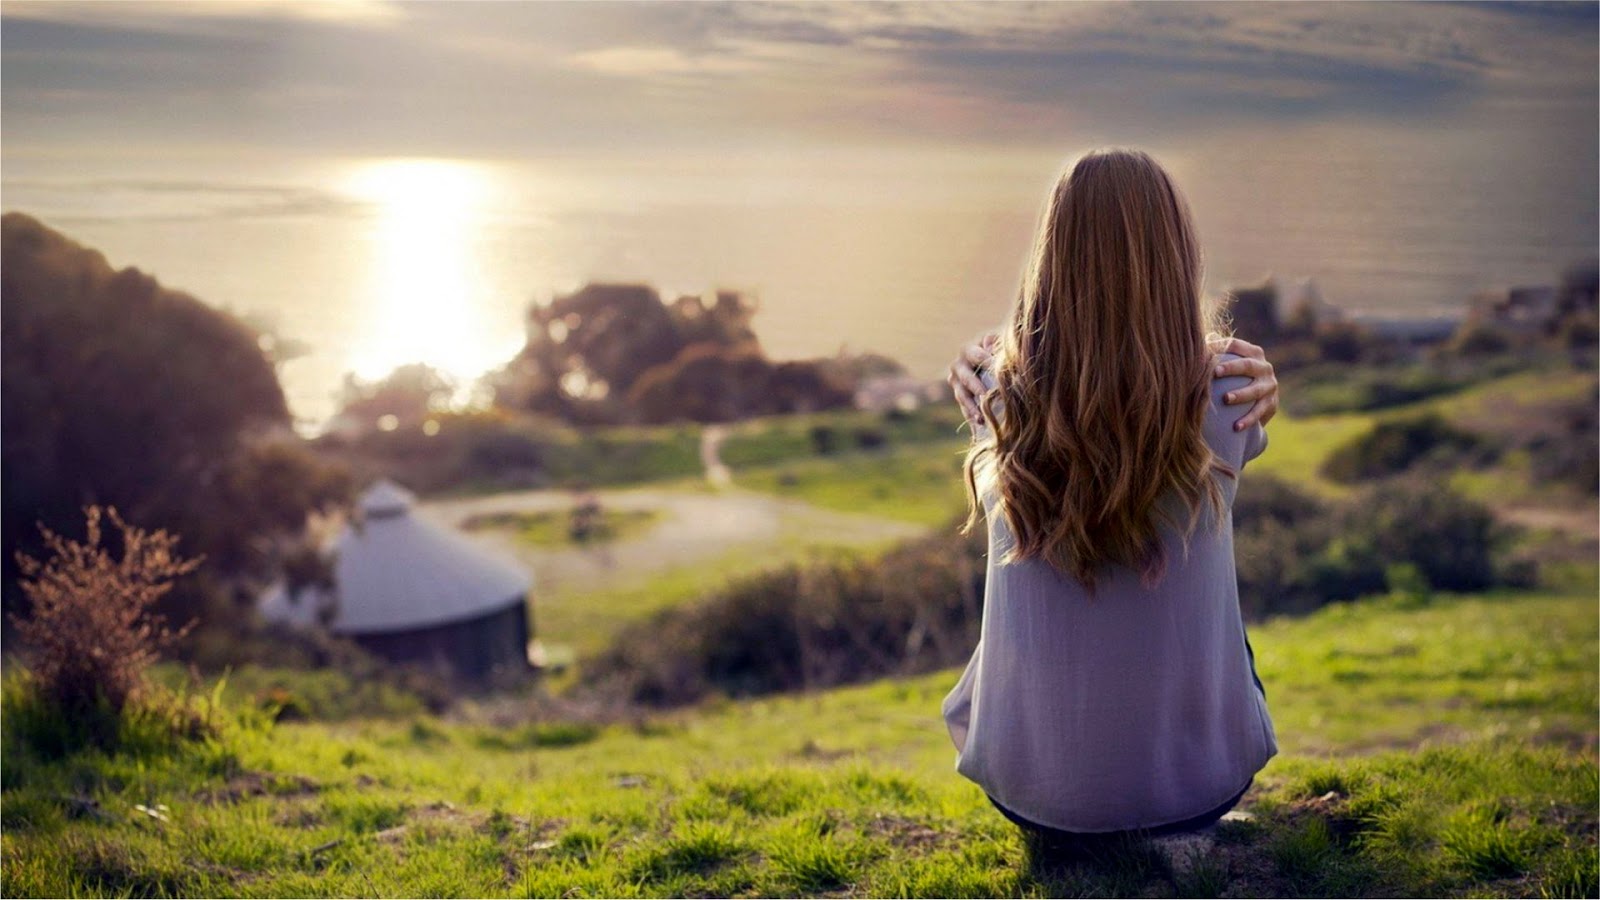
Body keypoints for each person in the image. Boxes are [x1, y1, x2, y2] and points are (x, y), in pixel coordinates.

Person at [940, 148, 1279, 858]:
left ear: (1050, 256)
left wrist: (980, 361)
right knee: (1227, 632)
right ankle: (1174, 813)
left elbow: (1011, 365)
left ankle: (1070, 787)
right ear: (1177, 255)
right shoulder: (1228, 395)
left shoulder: (996, 396)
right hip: (1194, 796)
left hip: (1028, 799)